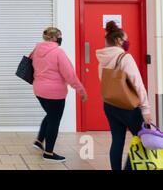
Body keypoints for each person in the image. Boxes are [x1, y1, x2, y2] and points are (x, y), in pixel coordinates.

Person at [96, 21, 152, 170]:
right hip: (127, 106)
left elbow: (104, 81)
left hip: (109, 104)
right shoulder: (125, 58)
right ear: (119, 40)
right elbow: (138, 84)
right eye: (125, 39)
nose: (127, 42)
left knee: (117, 140)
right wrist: (145, 109)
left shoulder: (102, 60)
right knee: (142, 138)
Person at [31, 27, 88, 163]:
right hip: (54, 93)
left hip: (39, 90)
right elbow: (69, 74)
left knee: (51, 115)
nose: (61, 38)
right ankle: (49, 153)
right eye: (59, 36)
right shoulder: (58, 52)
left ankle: (39, 141)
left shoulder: (36, 50)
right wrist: (80, 90)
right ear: (54, 38)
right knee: (54, 120)